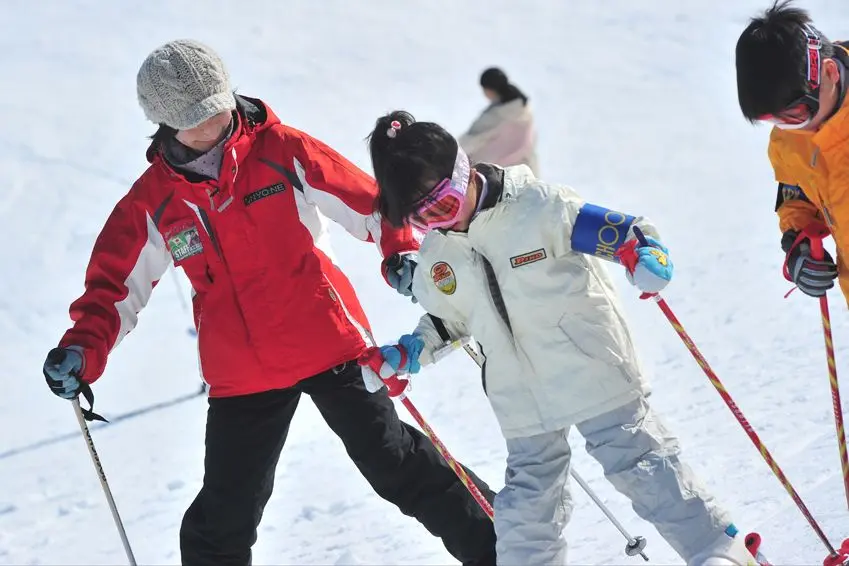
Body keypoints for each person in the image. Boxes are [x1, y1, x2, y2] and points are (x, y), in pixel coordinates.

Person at [41, 39, 497, 566]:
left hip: (328, 342)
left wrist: (398, 254)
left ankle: (509, 551)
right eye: (196, 117)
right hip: (242, 372)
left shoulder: (283, 150)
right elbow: (112, 293)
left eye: (217, 106)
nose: (214, 121)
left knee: (394, 461)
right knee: (224, 518)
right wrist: (82, 350)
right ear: (165, 124)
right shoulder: (154, 202)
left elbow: (374, 207)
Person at [362, 110, 762, 566]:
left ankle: (719, 551)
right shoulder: (440, 256)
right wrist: (412, 350)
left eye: (445, 203)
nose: (442, 221)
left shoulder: (540, 206)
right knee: (526, 509)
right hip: (523, 400)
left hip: (591, 370)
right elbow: (451, 319)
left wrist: (642, 253)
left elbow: (622, 230)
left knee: (646, 469)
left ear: (463, 171)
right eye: (425, 218)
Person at [735, 0, 848, 303]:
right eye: (773, 120)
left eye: (796, 114)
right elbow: (797, 196)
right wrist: (799, 245)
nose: (792, 128)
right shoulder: (789, 141)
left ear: (829, 73)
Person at [457, 67, 539, 175]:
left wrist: (453, 151)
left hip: (501, 171)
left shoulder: (497, 115)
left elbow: (472, 139)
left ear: (490, 90)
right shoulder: (522, 106)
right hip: (524, 167)